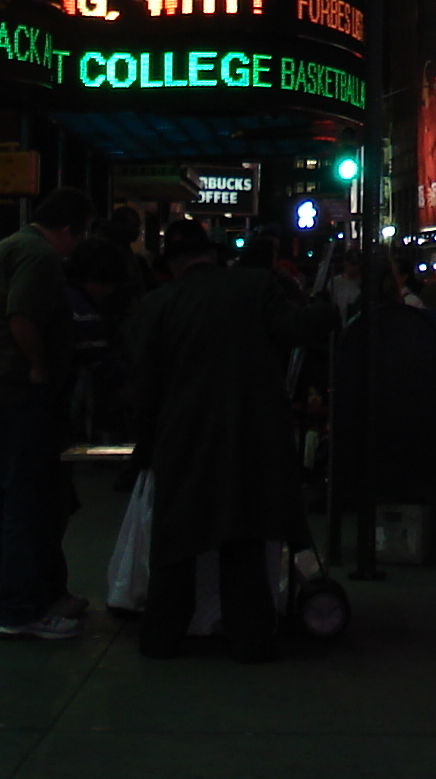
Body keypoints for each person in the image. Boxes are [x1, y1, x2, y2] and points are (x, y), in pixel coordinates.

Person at [126, 220, 335, 663]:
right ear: (215, 256)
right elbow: (297, 328)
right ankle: (251, 640)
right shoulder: (255, 285)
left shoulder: (156, 304)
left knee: (176, 544)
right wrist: (324, 309)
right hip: (251, 434)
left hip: (182, 436)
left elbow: (143, 385)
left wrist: (145, 444)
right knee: (244, 541)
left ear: (173, 267)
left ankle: (161, 638)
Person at [0, 185, 92, 640]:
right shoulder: (39, 257)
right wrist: (37, 367)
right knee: (24, 503)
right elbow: (22, 317)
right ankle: (21, 609)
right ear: (68, 230)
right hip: (10, 389)